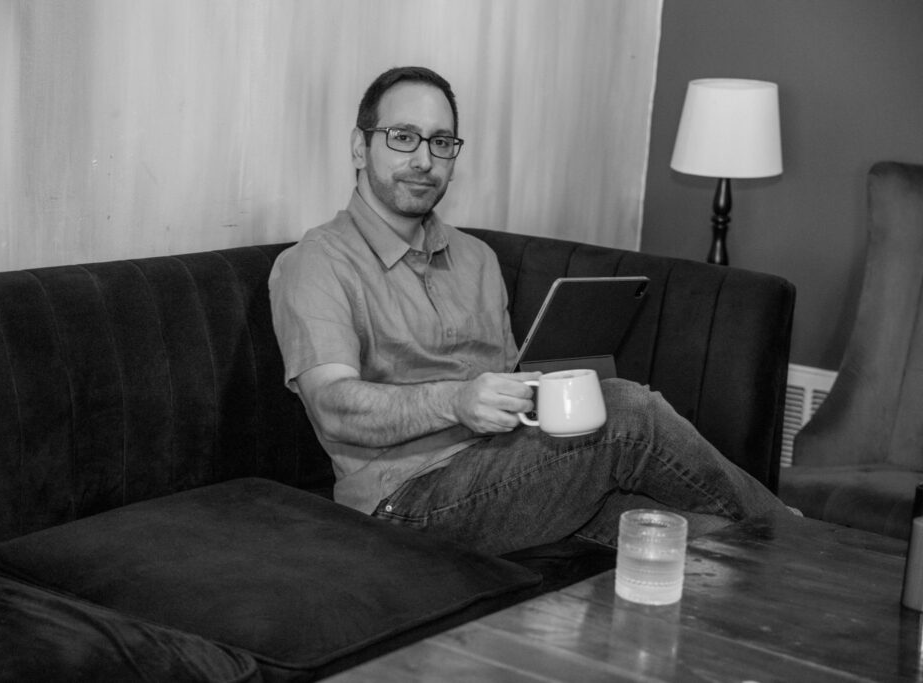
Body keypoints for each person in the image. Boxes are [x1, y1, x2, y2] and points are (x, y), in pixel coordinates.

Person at [269, 65, 791, 556]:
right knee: (629, 411)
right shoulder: (315, 262)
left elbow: (508, 389)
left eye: (442, 142)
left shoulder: (475, 258)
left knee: (714, 542)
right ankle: (806, 535)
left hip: (514, 469)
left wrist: (544, 390)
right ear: (360, 147)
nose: (424, 159)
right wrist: (456, 402)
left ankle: (795, 553)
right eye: (402, 137)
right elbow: (333, 406)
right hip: (406, 499)